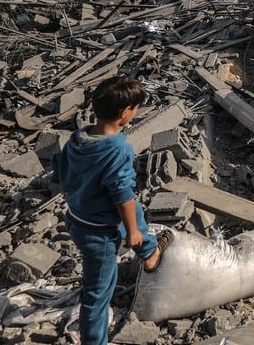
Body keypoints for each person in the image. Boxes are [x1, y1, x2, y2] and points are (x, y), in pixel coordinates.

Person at [51, 77, 169, 345]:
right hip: (99, 235)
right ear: (124, 112)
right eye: (136, 108)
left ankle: (149, 252)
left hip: (77, 218)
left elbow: (58, 172)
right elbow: (122, 195)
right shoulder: (116, 149)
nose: (136, 112)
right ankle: (94, 341)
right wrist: (133, 232)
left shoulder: (78, 138)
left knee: (133, 209)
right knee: (96, 293)